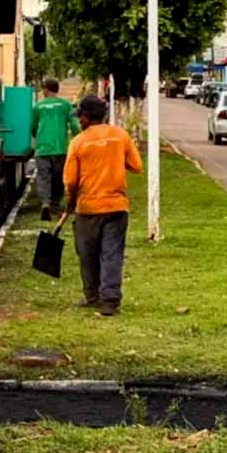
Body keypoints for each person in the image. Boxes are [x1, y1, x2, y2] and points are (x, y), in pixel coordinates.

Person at [64, 96, 143, 317]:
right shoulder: (121, 136)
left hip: (88, 208)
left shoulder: (78, 142)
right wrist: (114, 157)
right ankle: (109, 302)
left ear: (87, 117)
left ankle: (93, 296)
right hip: (117, 207)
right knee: (112, 254)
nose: (79, 120)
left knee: (87, 253)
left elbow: (70, 181)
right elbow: (137, 166)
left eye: (80, 116)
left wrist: (70, 200)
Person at [31, 78, 80, 221]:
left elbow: (33, 126)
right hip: (60, 148)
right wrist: (79, 137)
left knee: (43, 177)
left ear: (46, 90)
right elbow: (74, 125)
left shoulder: (38, 106)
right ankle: (55, 204)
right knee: (59, 178)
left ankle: (45, 203)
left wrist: (37, 136)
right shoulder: (66, 105)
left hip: (43, 148)